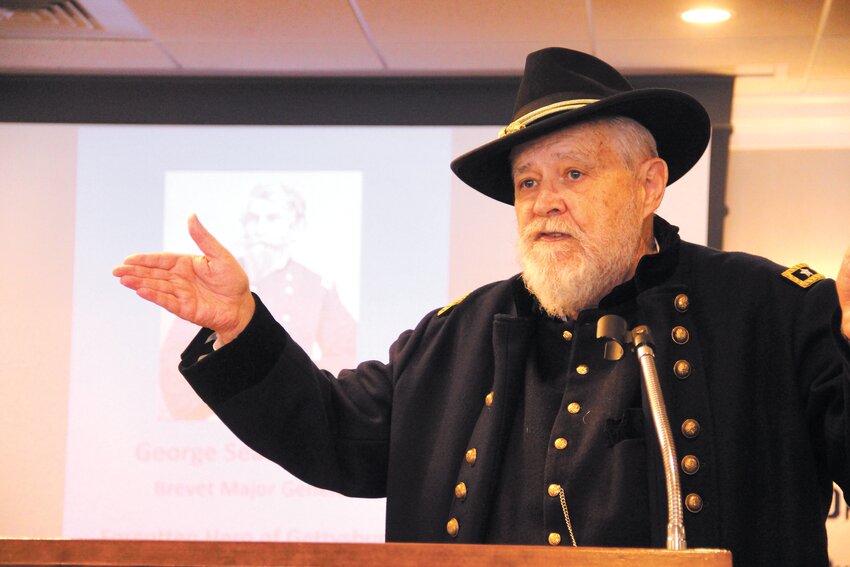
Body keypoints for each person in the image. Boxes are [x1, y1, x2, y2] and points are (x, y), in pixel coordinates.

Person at [113, 48, 850, 565]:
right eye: (527, 184)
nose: (544, 202)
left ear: (651, 184)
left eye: (573, 171)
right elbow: (336, 432)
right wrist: (242, 327)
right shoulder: (455, 336)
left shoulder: (770, 311)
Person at [157, 183, 357, 420]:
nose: (259, 228)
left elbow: (347, 353)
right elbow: (174, 360)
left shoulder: (317, 286)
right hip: (219, 424)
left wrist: (293, 385)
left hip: (295, 418)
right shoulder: (212, 280)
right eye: (253, 219)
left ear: (295, 227)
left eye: (272, 218)